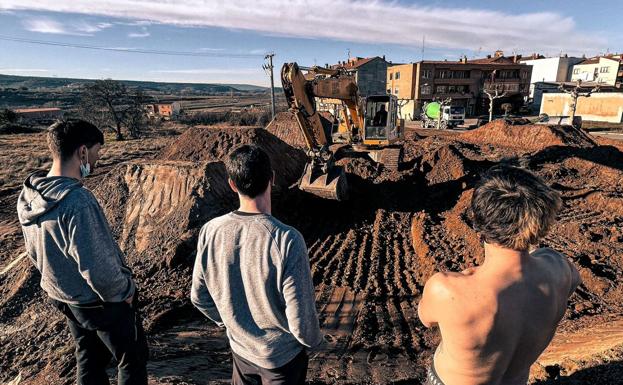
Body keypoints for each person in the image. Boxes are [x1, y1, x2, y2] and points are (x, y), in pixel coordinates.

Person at [418, 165, 581, 385]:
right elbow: (572, 281)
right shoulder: (559, 269)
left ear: (476, 218)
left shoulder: (446, 289)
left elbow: (425, 318)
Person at [17, 119, 148, 385]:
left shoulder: (30, 196)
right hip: (99, 302)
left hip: (64, 296)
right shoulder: (78, 201)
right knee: (131, 360)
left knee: (88, 357)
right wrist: (124, 294)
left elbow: (34, 253)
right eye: (97, 151)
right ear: (82, 152)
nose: (98, 159)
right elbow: (97, 267)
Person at [191, 144, 323, 385]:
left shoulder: (211, 231)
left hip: (240, 353)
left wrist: (229, 321)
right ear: (271, 179)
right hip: (281, 363)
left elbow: (199, 297)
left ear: (232, 184)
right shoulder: (286, 239)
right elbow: (301, 322)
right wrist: (315, 341)